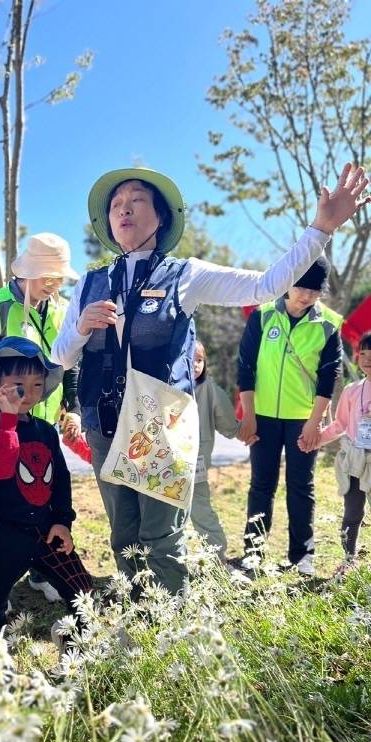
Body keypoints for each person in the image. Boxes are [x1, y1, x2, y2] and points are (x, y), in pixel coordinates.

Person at [51, 164, 369, 594]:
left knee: (160, 539)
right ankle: (138, 620)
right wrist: (80, 328)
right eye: (116, 205)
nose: (123, 209)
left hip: (157, 422)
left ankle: (169, 631)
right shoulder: (90, 283)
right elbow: (61, 357)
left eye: (136, 200)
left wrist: (320, 230)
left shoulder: (186, 275)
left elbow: (263, 286)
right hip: (102, 420)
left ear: (160, 217)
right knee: (123, 536)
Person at [0, 232, 82, 603]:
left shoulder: (63, 309)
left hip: (44, 424)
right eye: (46, 276)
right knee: (5, 498)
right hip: (3, 425)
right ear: (27, 271)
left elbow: (69, 365)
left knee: (44, 493)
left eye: (58, 278)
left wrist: (74, 408)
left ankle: (42, 568)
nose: (53, 285)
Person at [0, 336, 93, 652]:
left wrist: (62, 520)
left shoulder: (43, 430)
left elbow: (61, 478)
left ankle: (76, 653)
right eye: (17, 384)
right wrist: (8, 418)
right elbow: (0, 467)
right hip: (3, 537)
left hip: (46, 531)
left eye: (37, 384)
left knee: (83, 592)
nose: (27, 393)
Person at [237, 258, 343, 575]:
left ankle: (302, 557)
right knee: (261, 485)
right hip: (264, 418)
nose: (306, 296)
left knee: (300, 486)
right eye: (301, 287)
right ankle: (253, 555)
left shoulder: (329, 324)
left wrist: (314, 423)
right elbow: (246, 368)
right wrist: (249, 416)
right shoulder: (262, 316)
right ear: (288, 284)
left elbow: (329, 377)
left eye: (314, 290)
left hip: (302, 420)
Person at [308, 331, 371, 567]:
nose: (367, 359)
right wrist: (316, 439)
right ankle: (348, 560)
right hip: (355, 460)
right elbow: (339, 425)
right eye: (362, 353)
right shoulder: (352, 390)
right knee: (353, 513)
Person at [189, 341, 240, 561]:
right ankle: (168, 560)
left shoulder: (209, 389)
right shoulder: (165, 387)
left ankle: (217, 557)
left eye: (200, 360)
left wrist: (246, 432)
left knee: (200, 508)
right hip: (164, 460)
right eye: (191, 360)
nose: (196, 365)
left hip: (196, 461)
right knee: (165, 513)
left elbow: (228, 423)